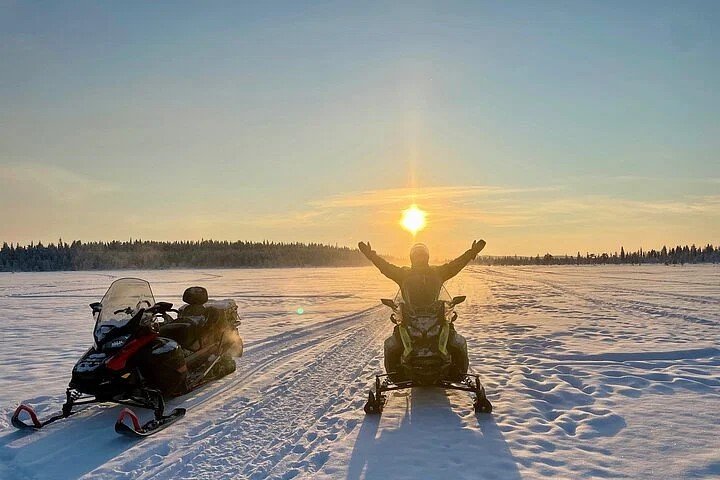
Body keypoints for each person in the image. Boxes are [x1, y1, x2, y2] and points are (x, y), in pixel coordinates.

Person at [358, 239, 486, 380]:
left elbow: (457, 264)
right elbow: (384, 266)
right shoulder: (421, 273)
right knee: (395, 338)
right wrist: (371, 255)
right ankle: (397, 372)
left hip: (435, 314)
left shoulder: (428, 272)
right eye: (418, 256)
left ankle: (456, 370)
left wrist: (472, 252)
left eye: (421, 256)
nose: (419, 259)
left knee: (452, 334)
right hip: (410, 316)